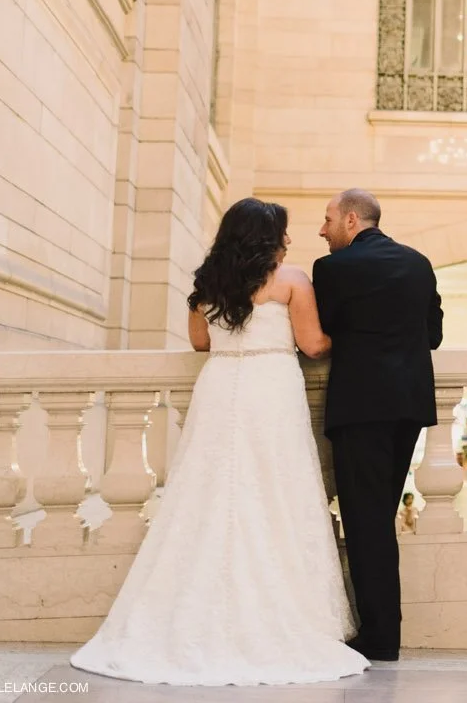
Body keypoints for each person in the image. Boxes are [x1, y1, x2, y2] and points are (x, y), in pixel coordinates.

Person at [71, 199, 367, 685]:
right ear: (266, 236)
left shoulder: (207, 284)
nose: (289, 240)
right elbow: (314, 345)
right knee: (275, 490)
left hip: (220, 388)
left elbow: (200, 343)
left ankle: (189, 612)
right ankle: (284, 609)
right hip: (270, 389)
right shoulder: (291, 281)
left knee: (205, 493)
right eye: (283, 233)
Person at [313, 188, 444, 662]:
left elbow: (319, 336)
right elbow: (433, 334)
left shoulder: (331, 269)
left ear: (351, 220)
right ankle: (382, 630)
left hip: (360, 407)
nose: (322, 230)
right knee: (377, 519)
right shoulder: (418, 262)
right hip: (408, 405)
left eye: (327, 220)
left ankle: (381, 637)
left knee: (366, 522)